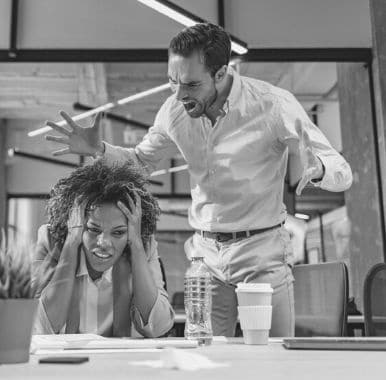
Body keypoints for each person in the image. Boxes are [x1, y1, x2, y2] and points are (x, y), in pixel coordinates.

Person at [43, 23, 352, 337]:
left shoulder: (273, 105)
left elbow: (343, 172)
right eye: (172, 80)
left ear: (220, 74)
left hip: (262, 249)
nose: (179, 94)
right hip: (206, 254)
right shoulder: (174, 111)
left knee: (271, 356)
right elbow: (140, 162)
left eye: (190, 84)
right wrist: (99, 149)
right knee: (203, 357)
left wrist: (321, 170)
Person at [32, 160, 174, 337]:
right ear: (74, 223)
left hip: (122, 362)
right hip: (65, 362)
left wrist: (136, 246)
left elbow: (158, 327)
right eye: (93, 229)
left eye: (118, 232)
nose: (104, 242)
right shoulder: (51, 241)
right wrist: (71, 244)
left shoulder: (143, 246)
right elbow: (41, 327)